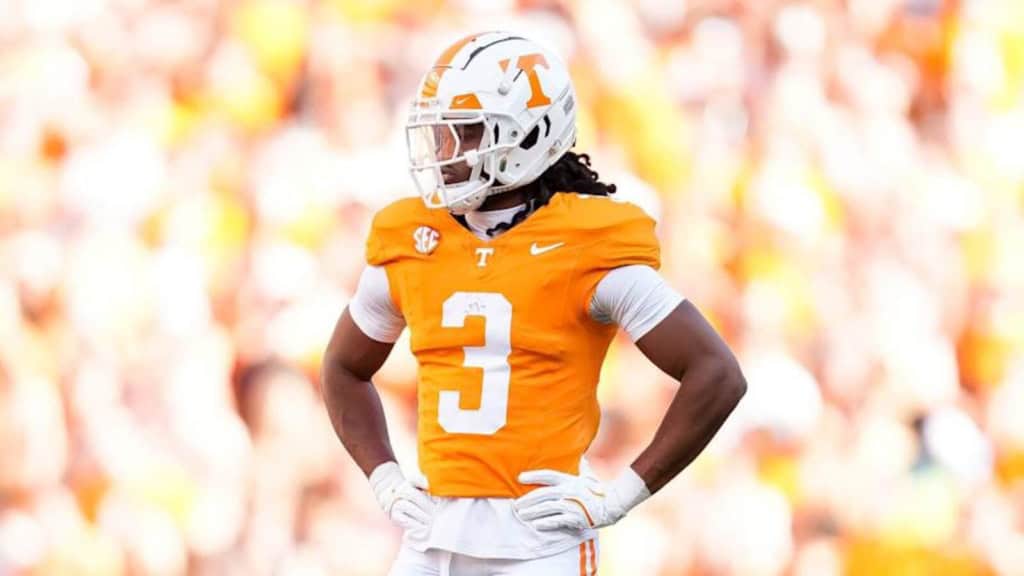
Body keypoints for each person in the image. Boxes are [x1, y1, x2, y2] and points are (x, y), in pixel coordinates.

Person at [321, 31, 747, 575]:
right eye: (442, 135)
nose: (447, 154)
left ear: (532, 136)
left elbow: (717, 373)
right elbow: (342, 367)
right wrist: (383, 476)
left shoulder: (588, 242)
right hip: (432, 533)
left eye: (467, 133)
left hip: (539, 543)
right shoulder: (414, 237)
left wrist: (621, 495)